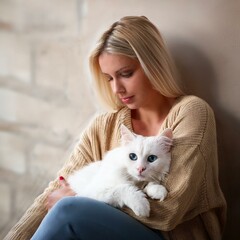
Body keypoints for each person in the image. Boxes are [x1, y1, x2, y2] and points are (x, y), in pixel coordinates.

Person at [5, 16, 226, 240]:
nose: (117, 89)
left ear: (153, 65)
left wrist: (87, 199)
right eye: (109, 78)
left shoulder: (192, 112)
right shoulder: (104, 126)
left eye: (126, 74)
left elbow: (169, 211)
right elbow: (59, 186)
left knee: (66, 210)